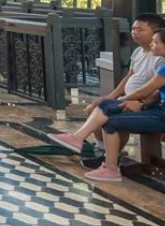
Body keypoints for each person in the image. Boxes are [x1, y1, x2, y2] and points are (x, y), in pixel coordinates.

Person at [47, 13, 165, 163]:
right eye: (133, 29)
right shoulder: (138, 52)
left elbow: (155, 89)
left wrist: (140, 102)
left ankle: (109, 157)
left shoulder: (160, 58)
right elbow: (129, 77)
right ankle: (101, 148)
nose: (135, 33)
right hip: (133, 99)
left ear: (156, 32)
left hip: (145, 103)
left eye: (140, 30)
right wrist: (112, 95)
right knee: (94, 107)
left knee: (109, 115)